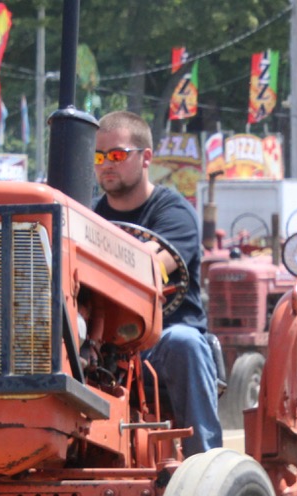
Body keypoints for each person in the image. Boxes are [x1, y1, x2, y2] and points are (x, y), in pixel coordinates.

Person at [92, 111, 221, 456]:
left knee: (185, 343)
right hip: (102, 344)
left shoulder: (174, 213)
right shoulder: (87, 216)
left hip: (159, 343)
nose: (107, 164)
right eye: (99, 157)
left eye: (117, 155)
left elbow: (154, 262)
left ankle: (204, 462)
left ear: (146, 157)